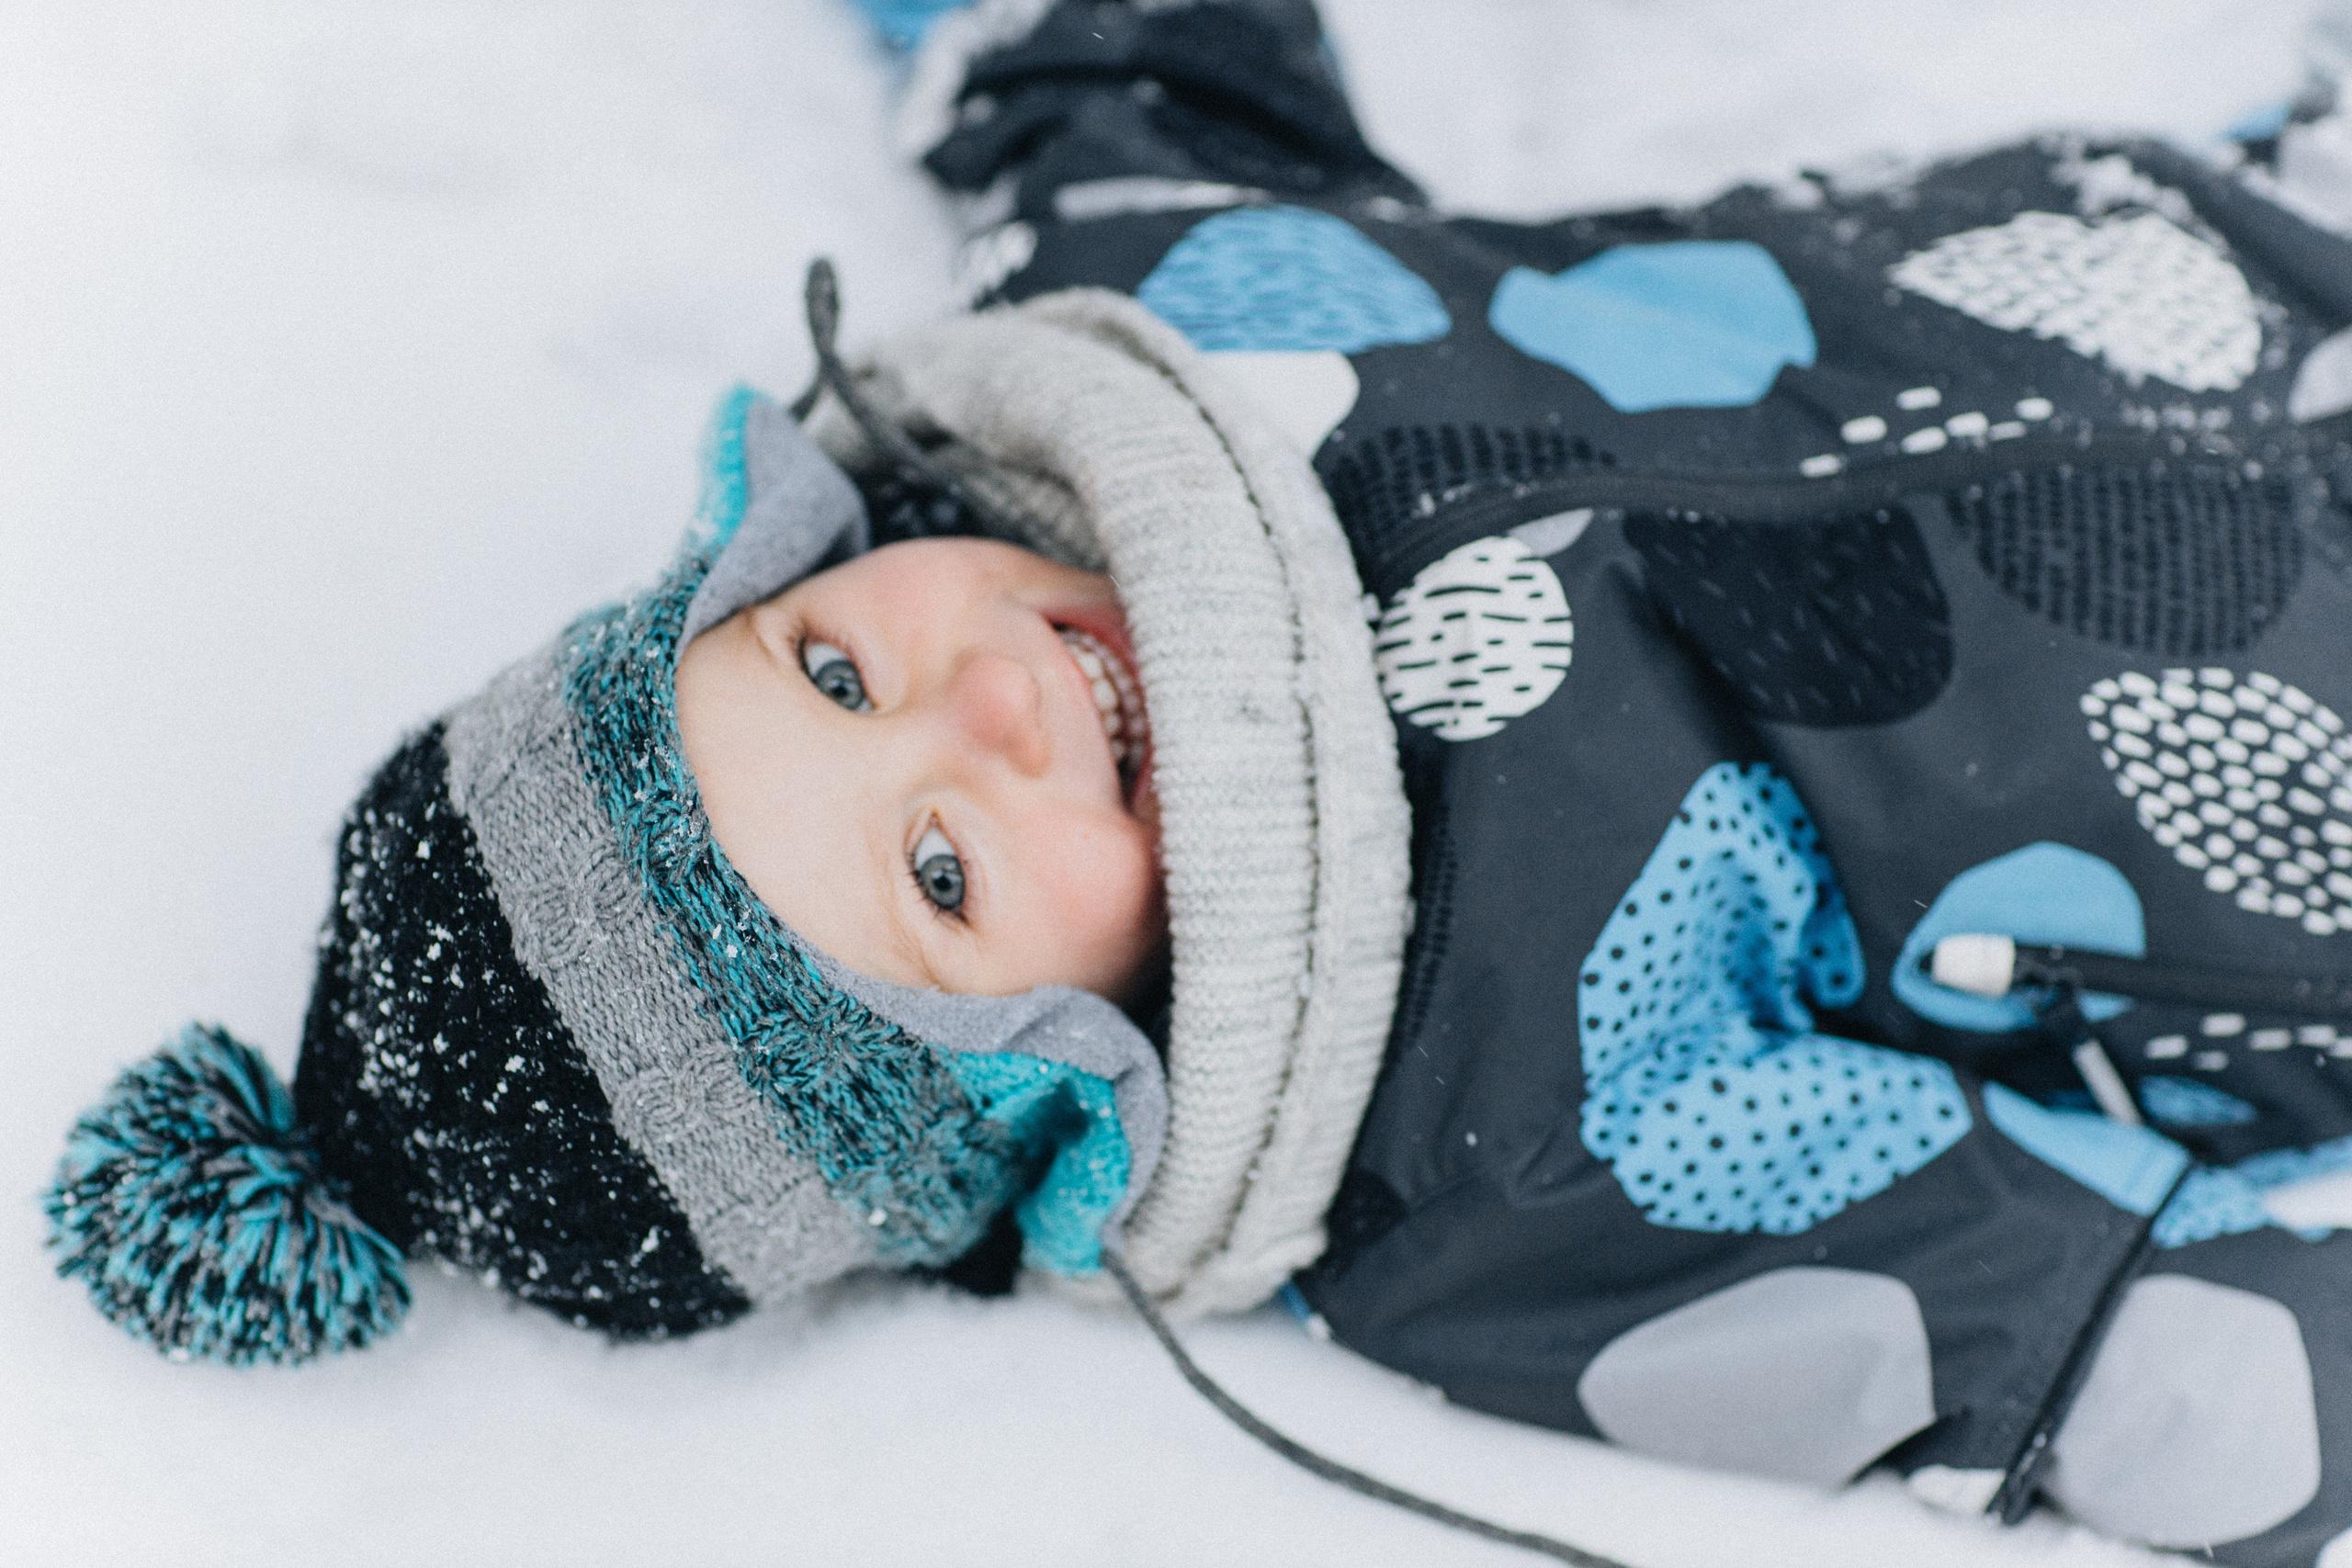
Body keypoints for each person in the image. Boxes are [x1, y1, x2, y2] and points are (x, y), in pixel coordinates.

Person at [44, 2, 2352, 1562]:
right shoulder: (1489, 1158)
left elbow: (1106, 55)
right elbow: (2078, 1344)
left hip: (2213, 251)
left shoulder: (1146, 320)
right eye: (939, 868)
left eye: (829, 662)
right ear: (1031, 1093)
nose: (980, 706)